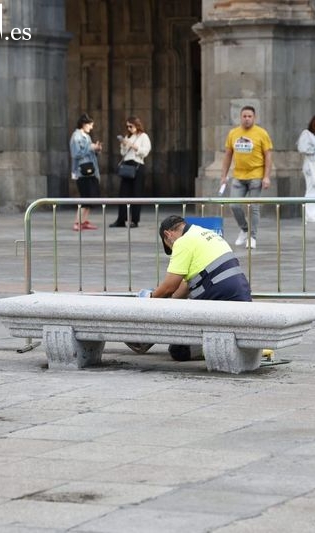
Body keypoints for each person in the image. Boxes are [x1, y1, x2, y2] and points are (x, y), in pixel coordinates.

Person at [151, 215, 252, 361]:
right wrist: (169, 301)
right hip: (241, 299)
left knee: (179, 350)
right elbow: (184, 288)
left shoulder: (182, 242)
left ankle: (218, 350)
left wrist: (150, 300)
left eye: (170, 247)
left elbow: (169, 287)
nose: (173, 249)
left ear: (168, 234)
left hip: (222, 302)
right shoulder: (205, 233)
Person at [220, 106, 273, 249]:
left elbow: (268, 155)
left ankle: (252, 236)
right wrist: (224, 175)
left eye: (250, 116)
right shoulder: (233, 133)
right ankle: (244, 229)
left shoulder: (261, 133)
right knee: (234, 205)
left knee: (253, 207)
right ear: (240, 117)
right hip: (238, 175)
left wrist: (266, 176)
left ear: (254, 118)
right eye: (244, 116)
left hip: (256, 175)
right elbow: (228, 155)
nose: (247, 119)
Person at [110, 116, 151, 228]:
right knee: (123, 194)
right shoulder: (128, 136)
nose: (129, 128)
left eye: (131, 126)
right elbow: (123, 153)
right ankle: (121, 220)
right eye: (127, 126)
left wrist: (134, 146)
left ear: (136, 125)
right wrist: (124, 145)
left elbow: (145, 151)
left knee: (136, 194)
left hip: (137, 166)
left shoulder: (143, 136)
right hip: (127, 166)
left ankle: (135, 220)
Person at [69, 113, 102, 231]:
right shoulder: (76, 136)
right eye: (90, 125)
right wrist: (90, 148)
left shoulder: (86, 136)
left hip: (91, 171)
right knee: (84, 198)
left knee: (90, 199)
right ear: (84, 124)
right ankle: (77, 222)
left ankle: (84, 221)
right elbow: (76, 154)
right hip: (82, 172)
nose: (91, 127)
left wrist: (96, 149)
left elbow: (89, 153)